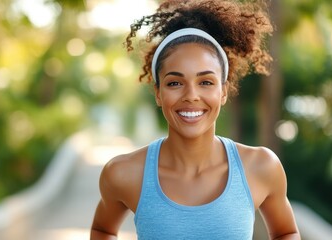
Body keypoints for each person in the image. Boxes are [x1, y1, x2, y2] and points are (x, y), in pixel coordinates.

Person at [91, 0, 300, 239]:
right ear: (158, 93)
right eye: (175, 83)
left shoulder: (261, 167)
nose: (191, 96)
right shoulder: (124, 173)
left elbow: (286, 232)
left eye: (206, 82)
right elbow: (102, 230)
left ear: (223, 92)